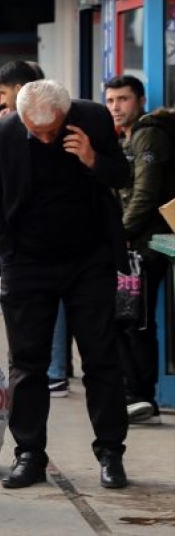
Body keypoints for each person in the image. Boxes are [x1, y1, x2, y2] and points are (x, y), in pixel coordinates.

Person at [0, 79, 130, 490]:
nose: (46, 138)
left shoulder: (93, 119)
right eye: (36, 131)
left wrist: (94, 159)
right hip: (26, 262)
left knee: (101, 359)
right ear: (21, 116)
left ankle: (111, 452)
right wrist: (7, 252)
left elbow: (123, 174)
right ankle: (29, 454)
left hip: (89, 259)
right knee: (27, 365)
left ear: (66, 115)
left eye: (53, 130)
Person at [0, 60, 71, 397]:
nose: (1, 100)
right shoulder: (3, 129)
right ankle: (48, 369)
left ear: (21, 91)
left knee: (52, 306)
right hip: (20, 244)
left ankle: (54, 370)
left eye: (4, 93)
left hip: (49, 241)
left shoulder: (56, 124)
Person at [105, 75, 175, 425]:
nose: (116, 107)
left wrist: (121, 234)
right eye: (111, 100)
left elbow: (145, 194)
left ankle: (140, 396)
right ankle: (134, 394)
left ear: (140, 100)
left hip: (146, 246)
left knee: (136, 321)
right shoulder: (126, 138)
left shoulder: (148, 135)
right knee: (128, 319)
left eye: (123, 99)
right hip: (135, 245)